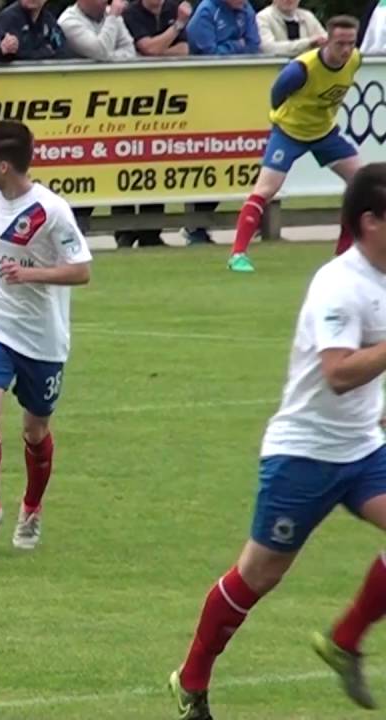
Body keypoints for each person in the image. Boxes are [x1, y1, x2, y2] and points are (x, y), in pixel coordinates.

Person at [168, 162, 386, 720]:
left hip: (362, 449)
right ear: (370, 222)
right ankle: (191, 680)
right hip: (303, 453)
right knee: (258, 575)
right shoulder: (338, 283)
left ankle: (344, 640)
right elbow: (337, 373)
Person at [0, 120, 92, 553]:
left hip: (42, 336)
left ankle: (31, 508)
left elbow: (82, 270)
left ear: (3, 166)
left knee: (35, 430)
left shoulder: (51, 211)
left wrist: (30, 273)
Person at [227, 15, 361, 273]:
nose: (345, 50)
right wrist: (289, 120)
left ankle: (343, 254)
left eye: (350, 43)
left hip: (324, 133)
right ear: (326, 42)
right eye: (339, 44)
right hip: (289, 132)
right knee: (266, 190)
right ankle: (237, 254)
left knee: (362, 182)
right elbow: (276, 94)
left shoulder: (355, 60)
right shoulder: (301, 69)